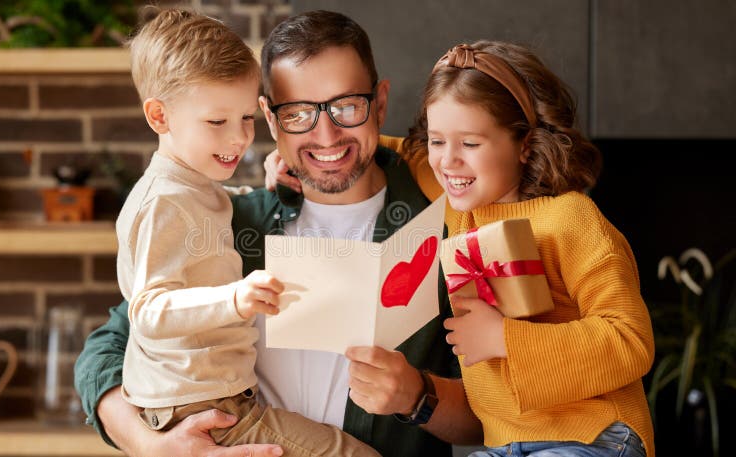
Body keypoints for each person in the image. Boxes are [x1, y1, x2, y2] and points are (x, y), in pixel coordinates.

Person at [74, 10, 476, 457]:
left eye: (346, 107)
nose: (326, 135)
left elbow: (501, 414)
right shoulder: (232, 222)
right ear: (269, 116)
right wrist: (151, 444)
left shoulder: (446, 227)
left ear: (379, 104)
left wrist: (418, 396)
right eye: (299, 113)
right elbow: (108, 346)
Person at [115, 8, 380, 457]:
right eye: (217, 123)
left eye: (244, 119)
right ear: (159, 117)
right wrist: (233, 299)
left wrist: (261, 189)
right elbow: (145, 313)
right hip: (202, 406)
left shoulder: (199, 189)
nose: (238, 138)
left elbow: (208, 214)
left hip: (217, 395)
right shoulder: (163, 201)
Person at [406, 41, 655, 457]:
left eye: (470, 144)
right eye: (436, 141)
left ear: (524, 144)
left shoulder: (570, 219)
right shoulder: (456, 202)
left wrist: (503, 337)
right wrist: (292, 161)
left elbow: (630, 340)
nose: (448, 162)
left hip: (595, 434)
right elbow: (388, 151)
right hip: (503, 445)